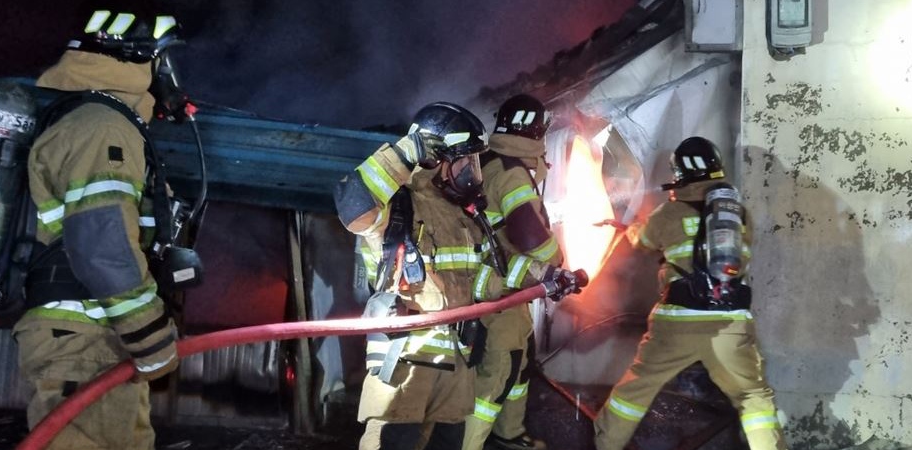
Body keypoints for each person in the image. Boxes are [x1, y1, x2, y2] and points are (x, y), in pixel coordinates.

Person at [333, 102, 583, 450]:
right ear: (436, 158)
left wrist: (548, 277)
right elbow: (353, 205)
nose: (472, 171)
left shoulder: (464, 215)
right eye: (465, 161)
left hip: (456, 365)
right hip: (407, 366)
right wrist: (407, 151)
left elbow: (491, 270)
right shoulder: (399, 206)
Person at [14, 2, 187, 449]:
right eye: (161, 60)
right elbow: (101, 244)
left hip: (96, 340)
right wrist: (150, 335)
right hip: (84, 341)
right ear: (132, 57)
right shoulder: (102, 127)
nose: (168, 74)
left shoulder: (100, 121)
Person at [593, 137, 785, 450]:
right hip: (730, 323)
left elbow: (642, 242)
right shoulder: (739, 215)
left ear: (681, 174)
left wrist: (624, 226)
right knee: (753, 397)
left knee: (636, 390)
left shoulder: (668, 214)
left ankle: (605, 445)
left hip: (678, 323)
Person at [463, 94, 564, 450]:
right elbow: (526, 232)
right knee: (498, 374)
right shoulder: (512, 171)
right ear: (534, 129)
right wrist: (557, 261)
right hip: (497, 289)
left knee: (518, 367)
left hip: (507, 286)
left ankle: (510, 434)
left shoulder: (493, 160)